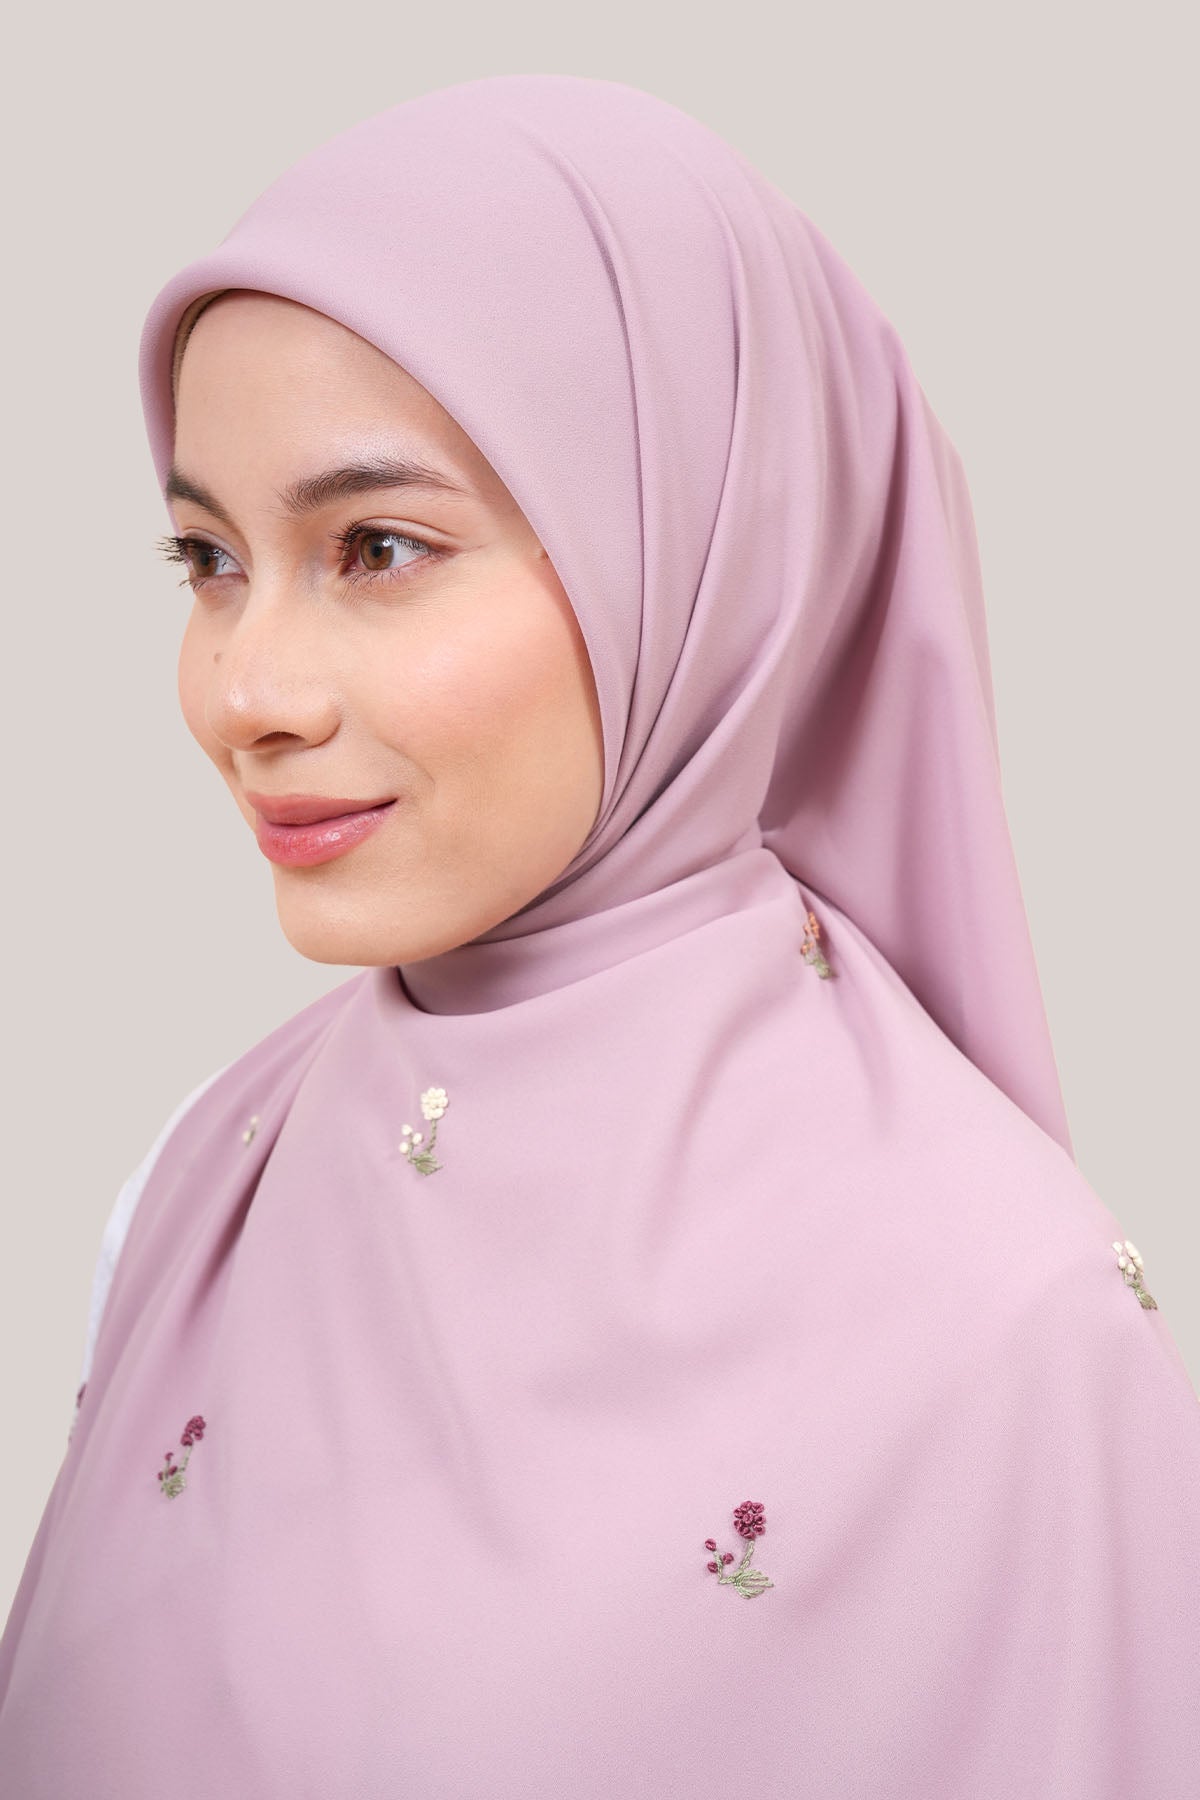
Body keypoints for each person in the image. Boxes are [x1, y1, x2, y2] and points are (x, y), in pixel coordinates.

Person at [1, 71, 1197, 1798]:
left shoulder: (1010, 1337)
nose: (244, 691)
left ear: (694, 554)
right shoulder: (200, 1190)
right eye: (207, 560)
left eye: (378, 546)